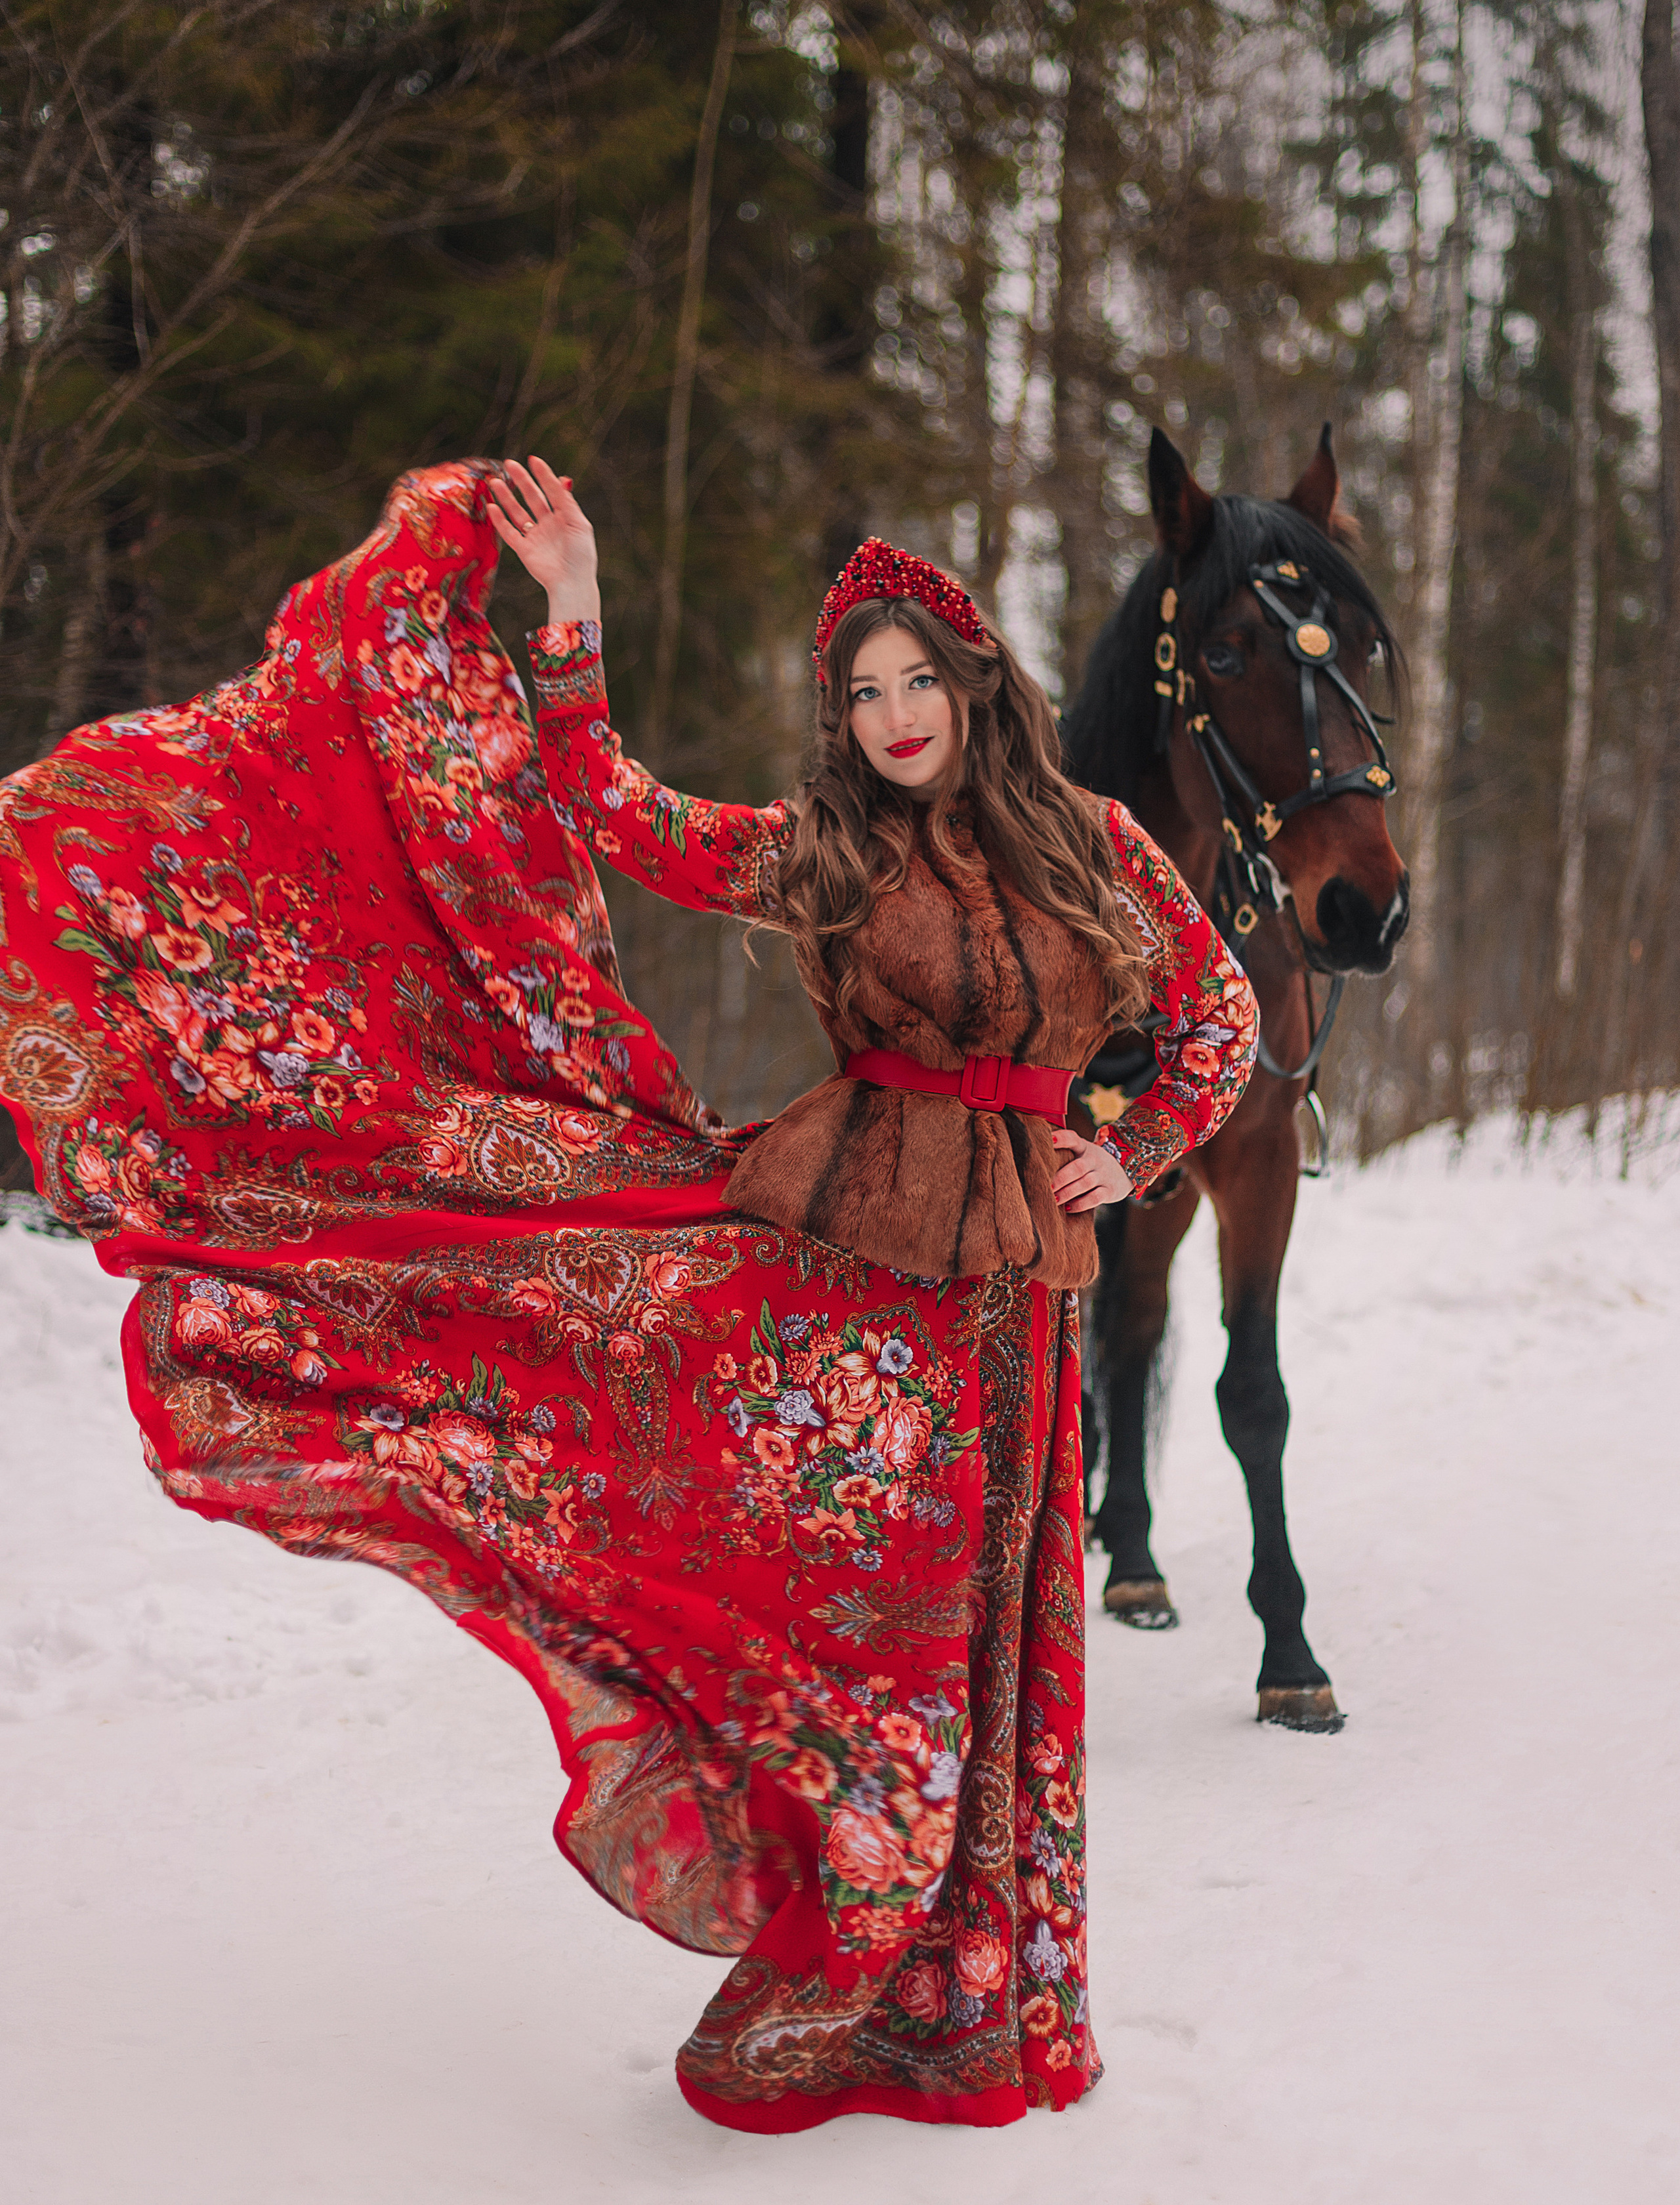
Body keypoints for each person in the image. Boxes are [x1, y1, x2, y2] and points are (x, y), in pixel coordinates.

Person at [0, 455, 1255, 2133]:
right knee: (858, 1639)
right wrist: (570, 611)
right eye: (859, 692)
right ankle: (853, 1953)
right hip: (846, 1282)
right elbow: (615, 813)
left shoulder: (1093, 843)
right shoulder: (825, 854)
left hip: (1017, 1291)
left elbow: (1220, 1010)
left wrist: (1134, 1140)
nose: (890, 715)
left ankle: (974, 1987)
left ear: (972, 690)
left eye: (913, 684)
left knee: (990, 1638)